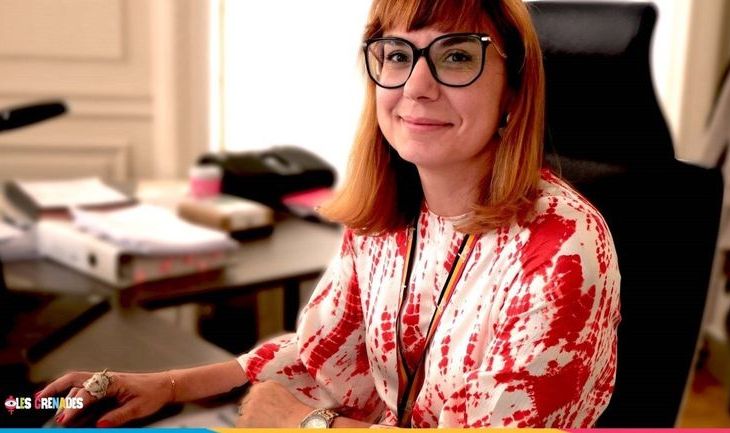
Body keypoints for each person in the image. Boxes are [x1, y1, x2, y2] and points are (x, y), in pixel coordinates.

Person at [39, 0, 621, 428]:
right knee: (29, 410)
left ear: (514, 90)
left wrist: (301, 423)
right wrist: (169, 386)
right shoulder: (389, 215)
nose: (417, 85)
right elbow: (324, 350)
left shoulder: (563, 247)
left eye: (457, 56)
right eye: (397, 55)